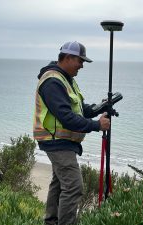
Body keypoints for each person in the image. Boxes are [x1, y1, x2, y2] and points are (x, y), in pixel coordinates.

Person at [33, 41, 110, 225]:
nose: (82, 66)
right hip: (56, 141)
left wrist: (100, 108)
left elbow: (79, 109)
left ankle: (51, 221)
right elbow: (66, 117)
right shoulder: (52, 81)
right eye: (80, 61)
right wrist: (97, 125)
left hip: (62, 141)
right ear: (67, 58)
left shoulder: (66, 79)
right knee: (74, 186)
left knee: (59, 184)